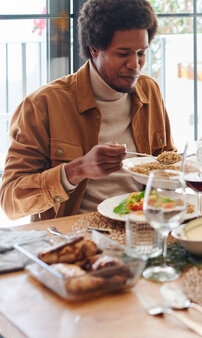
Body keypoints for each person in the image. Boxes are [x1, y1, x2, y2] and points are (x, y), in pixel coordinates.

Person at [0, 0, 175, 221]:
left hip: (142, 226)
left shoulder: (149, 89)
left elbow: (168, 162)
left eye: (141, 53)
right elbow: (10, 201)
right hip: (76, 237)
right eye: (123, 54)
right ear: (94, 49)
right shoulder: (43, 105)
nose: (135, 65)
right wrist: (78, 169)